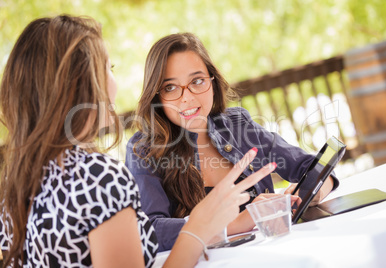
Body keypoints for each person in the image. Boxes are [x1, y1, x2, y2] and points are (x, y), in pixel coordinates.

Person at [0, 15, 280, 268]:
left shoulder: (15, 183)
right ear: (80, 84)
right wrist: (198, 227)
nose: (115, 82)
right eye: (108, 68)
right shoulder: (98, 178)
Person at [125, 32, 339, 251]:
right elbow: (150, 230)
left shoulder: (237, 124)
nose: (186, 97)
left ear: (212, 81)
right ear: (156, 96)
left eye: (197, 81)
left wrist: (312, 192)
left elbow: (313, 167)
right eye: (170, 87)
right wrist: (237, 223)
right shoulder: (142, 150)